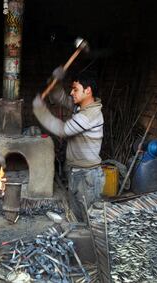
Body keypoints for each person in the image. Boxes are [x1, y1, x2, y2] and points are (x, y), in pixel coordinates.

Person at [32, 68, 105, 222]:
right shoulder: (81, 107)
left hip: (88, 176)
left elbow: (62, 129)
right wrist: (55, 82)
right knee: (77, 216)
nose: (72, 93)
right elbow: (63, 99)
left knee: (90, 221)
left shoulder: (91, 115)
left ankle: (91, 245)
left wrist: (40, 110)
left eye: (75, 89)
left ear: (88, 90)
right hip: (77, 171)